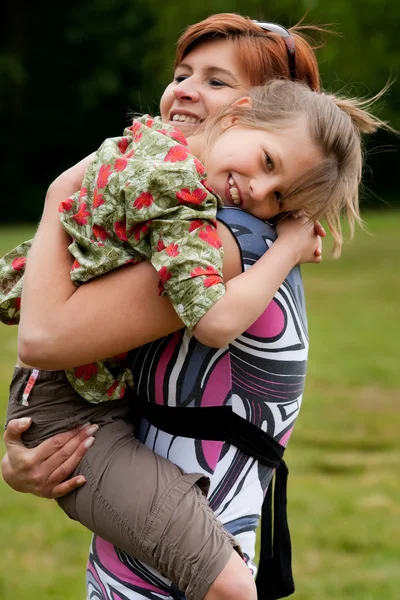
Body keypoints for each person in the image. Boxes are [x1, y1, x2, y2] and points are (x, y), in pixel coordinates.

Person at [1, 13, 390, 600]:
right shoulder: (180, 209)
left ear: (259, 110)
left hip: (186, 522)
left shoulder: (223, 234)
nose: (183, 91)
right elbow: (60, 343)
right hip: (142, 518)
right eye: (183, 73)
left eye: (215, 81)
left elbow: (45, 338)